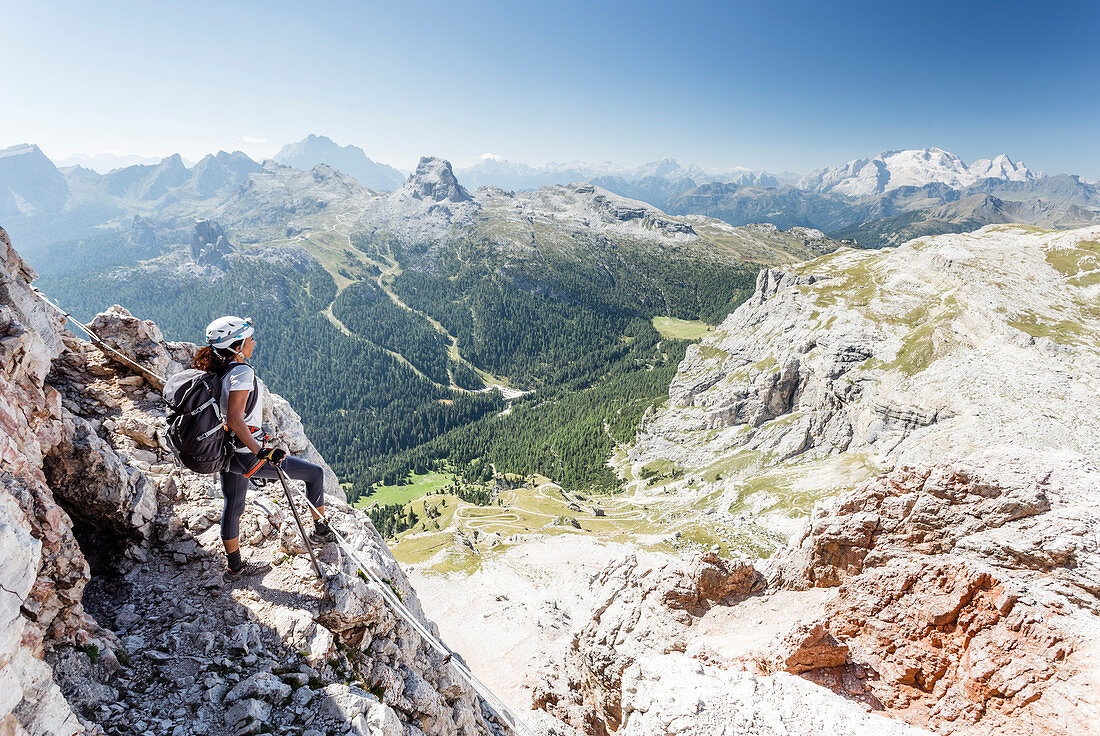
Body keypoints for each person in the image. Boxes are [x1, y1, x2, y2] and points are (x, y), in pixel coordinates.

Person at [194, 315, 336, 579]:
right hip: (247, 454)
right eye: (249, 339)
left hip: (228, 453)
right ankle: (320, 531)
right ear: (236, 346)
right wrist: (261, 451)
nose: (254, 343)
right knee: (314, 474)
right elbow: (236, 419)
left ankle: (234, 567)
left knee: (233, 505)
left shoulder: (218, 370)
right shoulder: (241, 372)